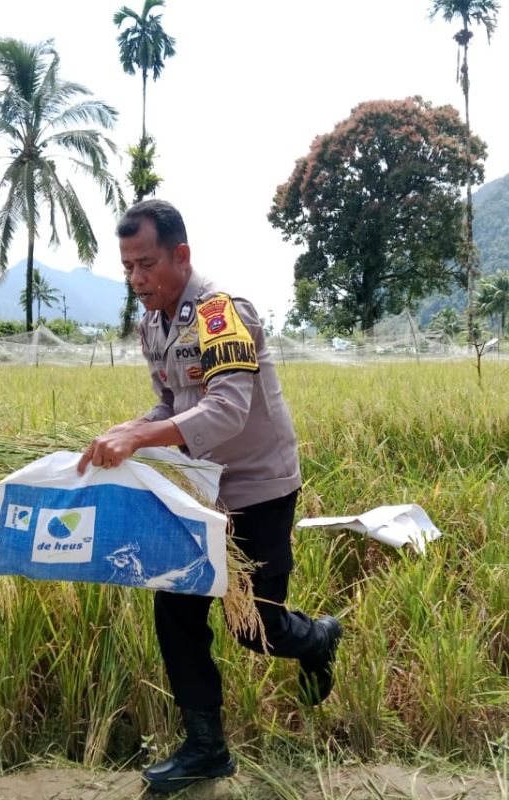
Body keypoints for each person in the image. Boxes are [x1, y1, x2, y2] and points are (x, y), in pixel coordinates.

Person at [77, 199, 342, 794]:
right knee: (174, 607)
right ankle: (205, 748)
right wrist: (128, 431)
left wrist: (143, 436)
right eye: (127, 267)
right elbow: (171, 408)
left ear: (181, 255)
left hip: (258, 488)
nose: (137, 279)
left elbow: (226, 409)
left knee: (255, 627)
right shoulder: (152, 324)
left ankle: (320, 637)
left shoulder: (222, 314)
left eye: (146, 264)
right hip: (198, 491)